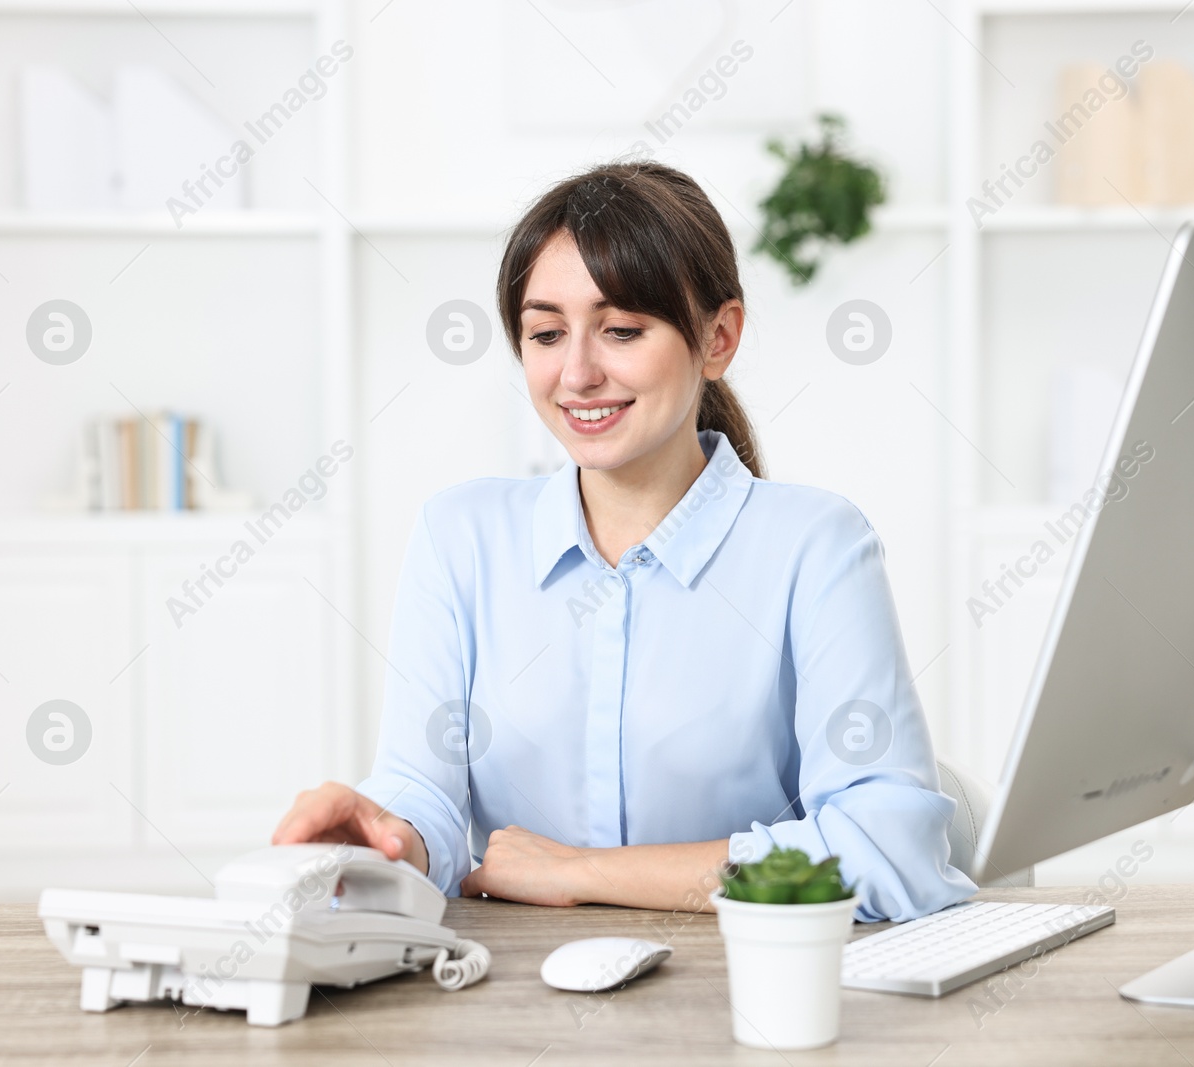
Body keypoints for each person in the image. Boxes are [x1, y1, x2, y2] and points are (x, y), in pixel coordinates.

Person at [272, 161, 975, 921]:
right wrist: (382, 839)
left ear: (718, 337)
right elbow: (425, 799)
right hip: (522, 1003)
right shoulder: (460, 538)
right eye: (546, 333)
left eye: (622, 330)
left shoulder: (815, 545)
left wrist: (585, 871)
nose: (576, 372)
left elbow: (890, 854)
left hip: (751, 999)